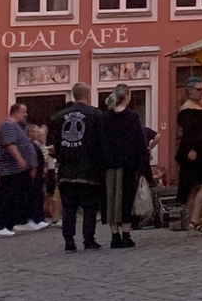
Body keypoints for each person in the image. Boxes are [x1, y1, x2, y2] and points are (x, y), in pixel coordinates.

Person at [48, 84, 104, 253]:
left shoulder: (59, 116)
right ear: (87, 95)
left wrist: (60, 155)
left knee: (69, 207)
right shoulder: (95, 115)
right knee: (89, 206)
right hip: (89, 169)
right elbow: (101, 142)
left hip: (66, 169)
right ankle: (88, 240)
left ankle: (69, 241)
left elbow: (54, 145)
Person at [100, 88, 149, 248]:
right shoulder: (132, 116)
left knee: (110, 200)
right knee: (126, 199)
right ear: (126, 97)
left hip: (108, 165)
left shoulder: (104, 117)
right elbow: (139, 142)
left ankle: (115, 236)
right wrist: (144, 166)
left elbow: (99, 142)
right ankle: (126, 234)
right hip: (128, 164)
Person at [0, 101, 40, 237]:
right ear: (16, 112)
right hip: (11, 169)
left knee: (21, 195)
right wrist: (20, 159)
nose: (25, 115)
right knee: (8, 196)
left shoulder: (16, 126)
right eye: (23, 112)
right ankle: (1, 226)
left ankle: (20, 221)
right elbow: (9, 144)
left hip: (18, 169)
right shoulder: (8, 125)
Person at [175, 80, 202, 230]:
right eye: (199, 89)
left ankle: (191, 219)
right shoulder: (188, 110)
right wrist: (192, 149)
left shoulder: (198, 107)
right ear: (191, 91)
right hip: (198, 151)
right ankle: (194, 219)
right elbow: (190, 132)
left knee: (195, 186)